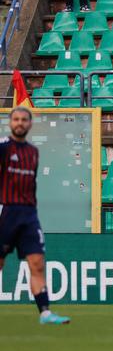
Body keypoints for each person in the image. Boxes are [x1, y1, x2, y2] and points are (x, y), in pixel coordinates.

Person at [0, 108, 70, 325]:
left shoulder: (33, 152)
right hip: (6, 211)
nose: (19, 123)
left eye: (24, 120)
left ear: (30, 124)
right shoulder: (2, 147)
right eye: (16, 119)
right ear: (10, 123)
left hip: (29, 215)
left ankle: (45, 313)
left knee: (37, 262)